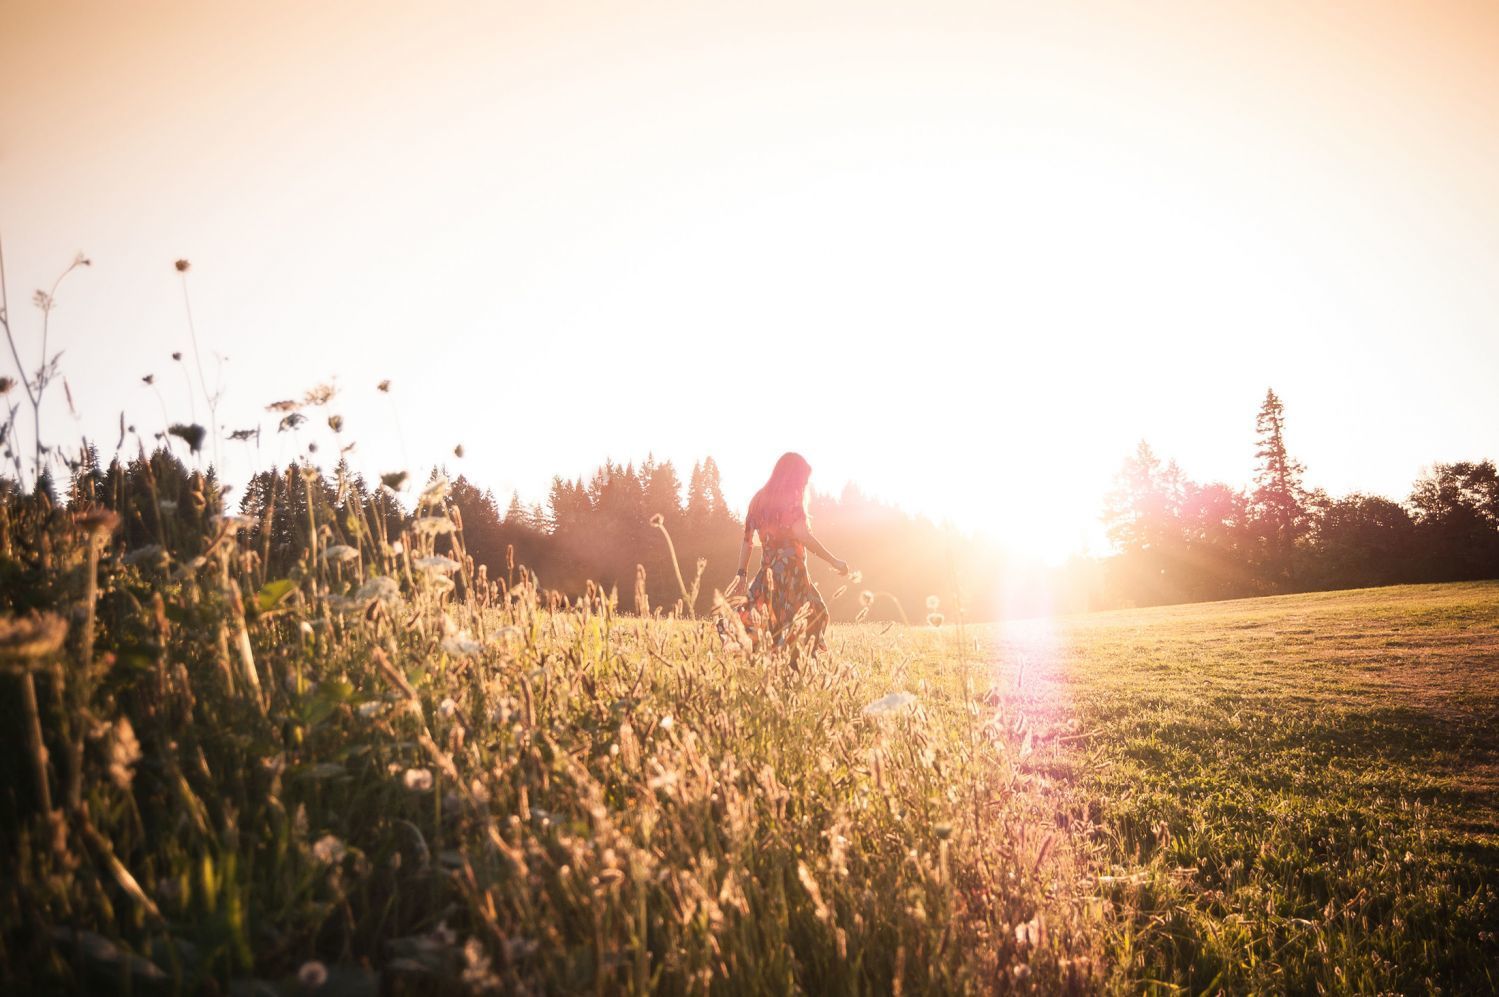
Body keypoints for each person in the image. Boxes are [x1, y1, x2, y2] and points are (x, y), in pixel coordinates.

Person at [731, 452, 850, 657]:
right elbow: (803, 535)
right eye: (803, 480)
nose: (804, 485)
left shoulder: (758, 499)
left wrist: (741, 572)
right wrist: (834, 561)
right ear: (794, 477)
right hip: (791, 575)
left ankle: (776, 665)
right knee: (815, 616)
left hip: (767, 573)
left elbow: (747, 541)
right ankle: (795, 664)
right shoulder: (791, 500)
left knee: (769, 622)